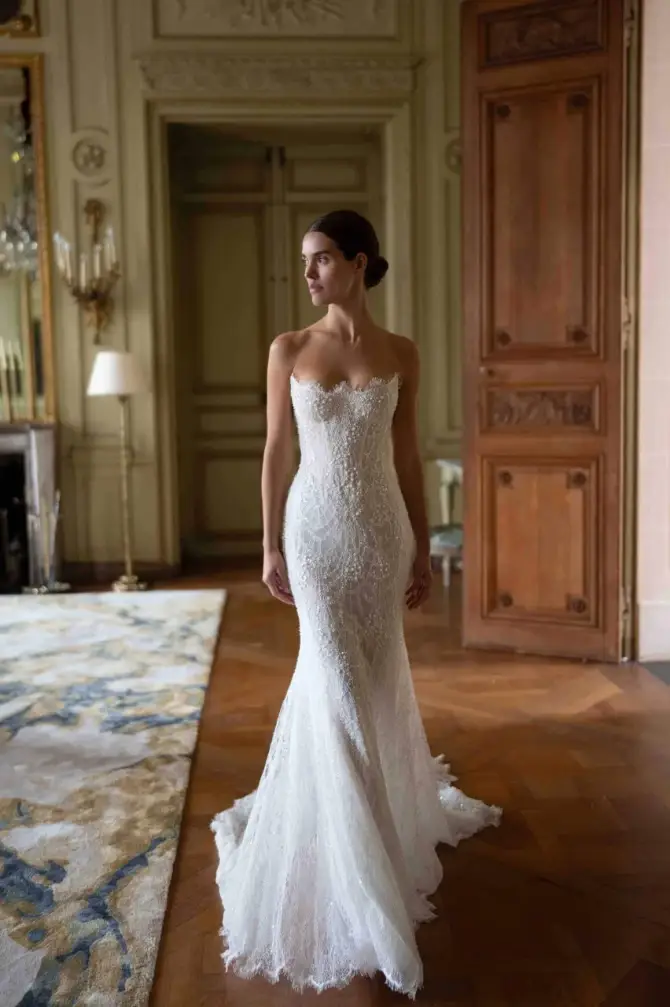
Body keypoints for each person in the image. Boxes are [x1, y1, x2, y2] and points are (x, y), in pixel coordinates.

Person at [211, 209, 501, 998]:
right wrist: (268, 542)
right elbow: (276, 448)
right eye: (306, 260)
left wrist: (417, 547)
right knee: (334, 679)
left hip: (380, 535)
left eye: (323, 259)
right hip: (313, 536)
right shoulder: (289, 349)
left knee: (370, 682)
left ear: (360, 264)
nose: (308, 272)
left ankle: (374, 832)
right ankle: (357, 887)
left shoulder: (402, 352)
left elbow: (406, 453)